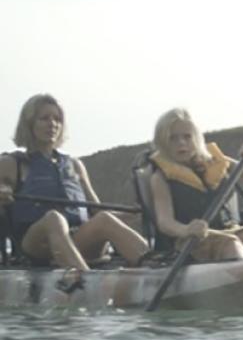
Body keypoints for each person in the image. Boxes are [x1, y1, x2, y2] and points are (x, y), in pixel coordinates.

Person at [0, 94, 150, 285]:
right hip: (36, 243)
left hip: (76, 239)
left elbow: (96, 211)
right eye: (44, 118)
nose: (52, 124)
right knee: (54, 218)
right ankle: (86, 283)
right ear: (29, 123)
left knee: (104, 219)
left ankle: (152, 265)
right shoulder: (12, 163)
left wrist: (132, 214)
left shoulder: (74, 165)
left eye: (57, 119)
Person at [145, 108, 243, 262]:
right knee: (232, 245)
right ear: (162, 142)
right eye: (173, 138)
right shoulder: (160, 178)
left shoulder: (215, 161)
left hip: (229, 231)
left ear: (197, 139)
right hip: (189, 241)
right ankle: (242, 280)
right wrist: (186, 230)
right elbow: (165, 222)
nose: (181, 143)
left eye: (187, 137)